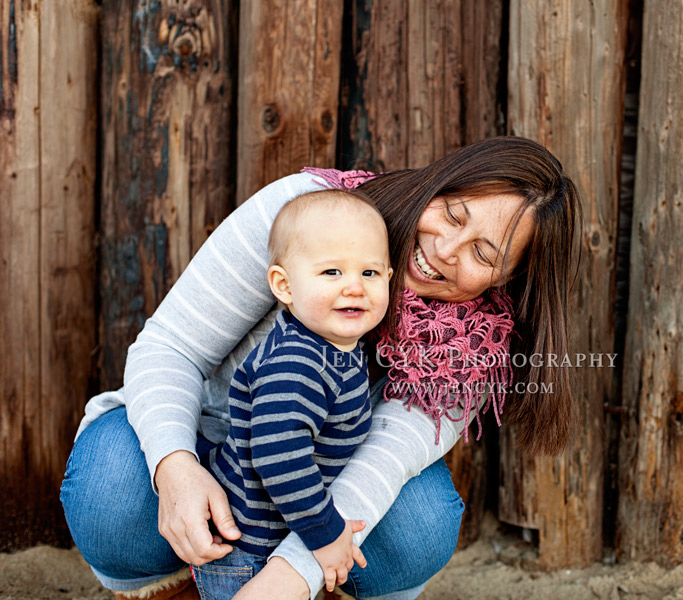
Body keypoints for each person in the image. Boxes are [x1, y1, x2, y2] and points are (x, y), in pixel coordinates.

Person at [60, 136, 581, 600]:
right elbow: (173, 346)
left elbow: (384, 461)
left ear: (507, 280)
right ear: (438, 182)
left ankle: (320, 587)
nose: (444, 251)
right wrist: (175, 467)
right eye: (453, 214)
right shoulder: (307, 211)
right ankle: (170, 587)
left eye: (482, 253)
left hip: (328, 486)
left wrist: (293, 575)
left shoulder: (477, 344)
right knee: (111, 488)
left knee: (420, 527)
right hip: (214, 440)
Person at [190, 189, 394, 599]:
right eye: (331, 272)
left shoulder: (336, 344)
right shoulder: (297, 364)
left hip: (281, 526)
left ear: (389, 278)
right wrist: (326, 533)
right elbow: (279, 457)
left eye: (369, 274)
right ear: (284, 285)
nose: (354, 287)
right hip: (249, 545)